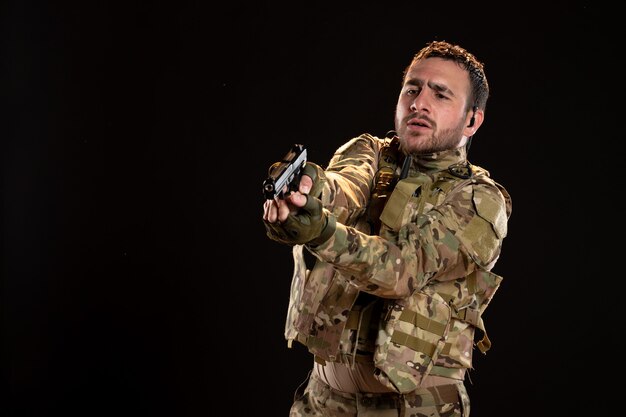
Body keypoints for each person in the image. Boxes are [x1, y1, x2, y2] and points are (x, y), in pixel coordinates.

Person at [262, 40, 512, 417]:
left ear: (472, 120)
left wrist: (321, 232)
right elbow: (342, 188)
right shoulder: (369, 152)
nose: (419, 103)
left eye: (440, 95)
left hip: (413, 409)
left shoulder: (480, 202)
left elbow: (402, 268)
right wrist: (307, 195)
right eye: (412, 89)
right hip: (323, 400)